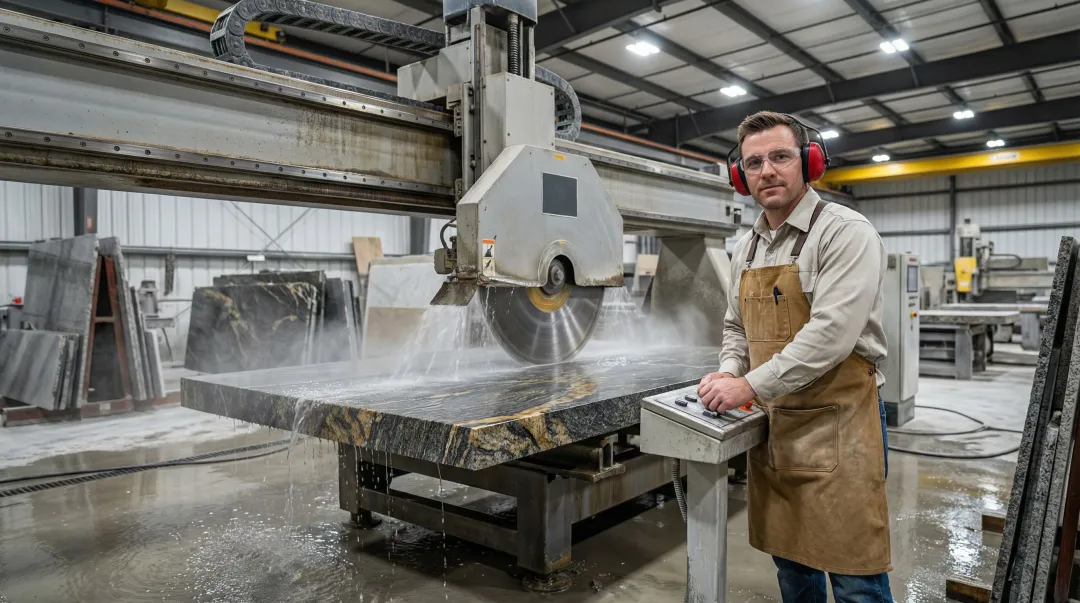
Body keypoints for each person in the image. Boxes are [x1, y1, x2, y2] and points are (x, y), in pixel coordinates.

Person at [697, 111, 893, 603]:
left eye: (780, 157)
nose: (767, 170)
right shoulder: (747, 247)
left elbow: (830, 336)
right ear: (741, 176)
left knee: (855, 578)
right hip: (780, 424)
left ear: (809, 163)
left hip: (844, 422)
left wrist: (747, 386)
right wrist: (727, 372)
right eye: (754, 162)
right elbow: (734, 327)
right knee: (793, 567)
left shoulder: (844, 232)